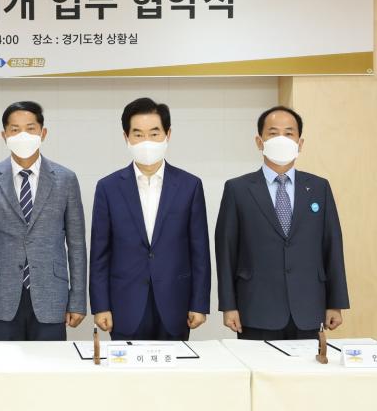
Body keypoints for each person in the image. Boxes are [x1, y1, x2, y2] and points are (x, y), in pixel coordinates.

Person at [216, 106, 349, 340]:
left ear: (300, 143)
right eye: (273, 133)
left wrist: (335, 302)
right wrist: (228, 305)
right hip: (256, 308)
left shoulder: (319, 188)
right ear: (259, 142)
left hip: (309, 308)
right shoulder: (237, 189)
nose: (281, 139)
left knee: (307, 365)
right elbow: (226, 250)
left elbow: (332, 245)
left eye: (289, 133)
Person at [90, 98, 210, 341]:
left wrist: (199, 303)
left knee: (174, 365)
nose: (146, 141)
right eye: (138, 134)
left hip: (175, 303)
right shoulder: (108, 187)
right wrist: (100, 305)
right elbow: (100, 253)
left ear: (168, 135)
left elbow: (199, 250)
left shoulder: (190, 186)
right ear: (126, 137)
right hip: (125, 304)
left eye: (154, 134)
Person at [0, 101, 86, 341]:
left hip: (51, 293)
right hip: (0, 294)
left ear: (43, 133)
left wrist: (78, 300)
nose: (23, 135)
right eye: (15, 129)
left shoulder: (65, 179)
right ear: (4, 136)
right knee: (2, 364)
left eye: (30, 129)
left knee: (49, 362)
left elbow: (76, 245)